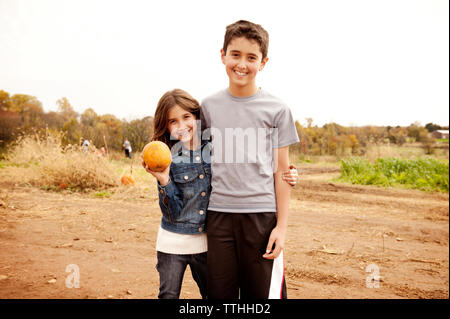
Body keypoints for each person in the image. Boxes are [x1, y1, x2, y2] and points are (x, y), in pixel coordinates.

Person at [142, 89, 298, 299]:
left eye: (187, 117)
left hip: (206, 242)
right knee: (168, 295)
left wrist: (288, 171)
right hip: (175, 240)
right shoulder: (169, 159)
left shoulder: (216, 149)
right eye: (173, 121)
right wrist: (164, 181)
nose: (181, 126)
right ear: (166, 126)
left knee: (214, 296)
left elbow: (246, 165)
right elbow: (173, 212)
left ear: (198, 118)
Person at [200, 20, 300, 299]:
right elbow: (199, 161)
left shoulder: (278, 110)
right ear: (222, 55)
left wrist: (281, 227)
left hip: (261, 219)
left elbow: (282, 170)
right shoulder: (208, 107)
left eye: (251, 57)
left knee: (262, 299)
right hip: (218, 218)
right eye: (235, 55)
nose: (242, 64)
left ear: (263, 62)